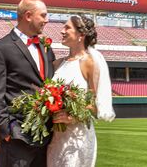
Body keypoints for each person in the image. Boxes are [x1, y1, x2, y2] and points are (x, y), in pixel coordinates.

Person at [0, 0, 56, 167]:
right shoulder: (0, 49)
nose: (47, 20)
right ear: (28, 16)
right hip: (16, 137)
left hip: (45, 137)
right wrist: (6, 130)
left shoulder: (46, 47)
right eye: (43, 15)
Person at [47, 15, 115, 167]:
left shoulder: (89, 64)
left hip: (78, 139)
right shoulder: (57, 64)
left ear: (81, 35)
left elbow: (95, 106)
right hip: (55, 139)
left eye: (67, 27)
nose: (62, 31)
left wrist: (72, 118)